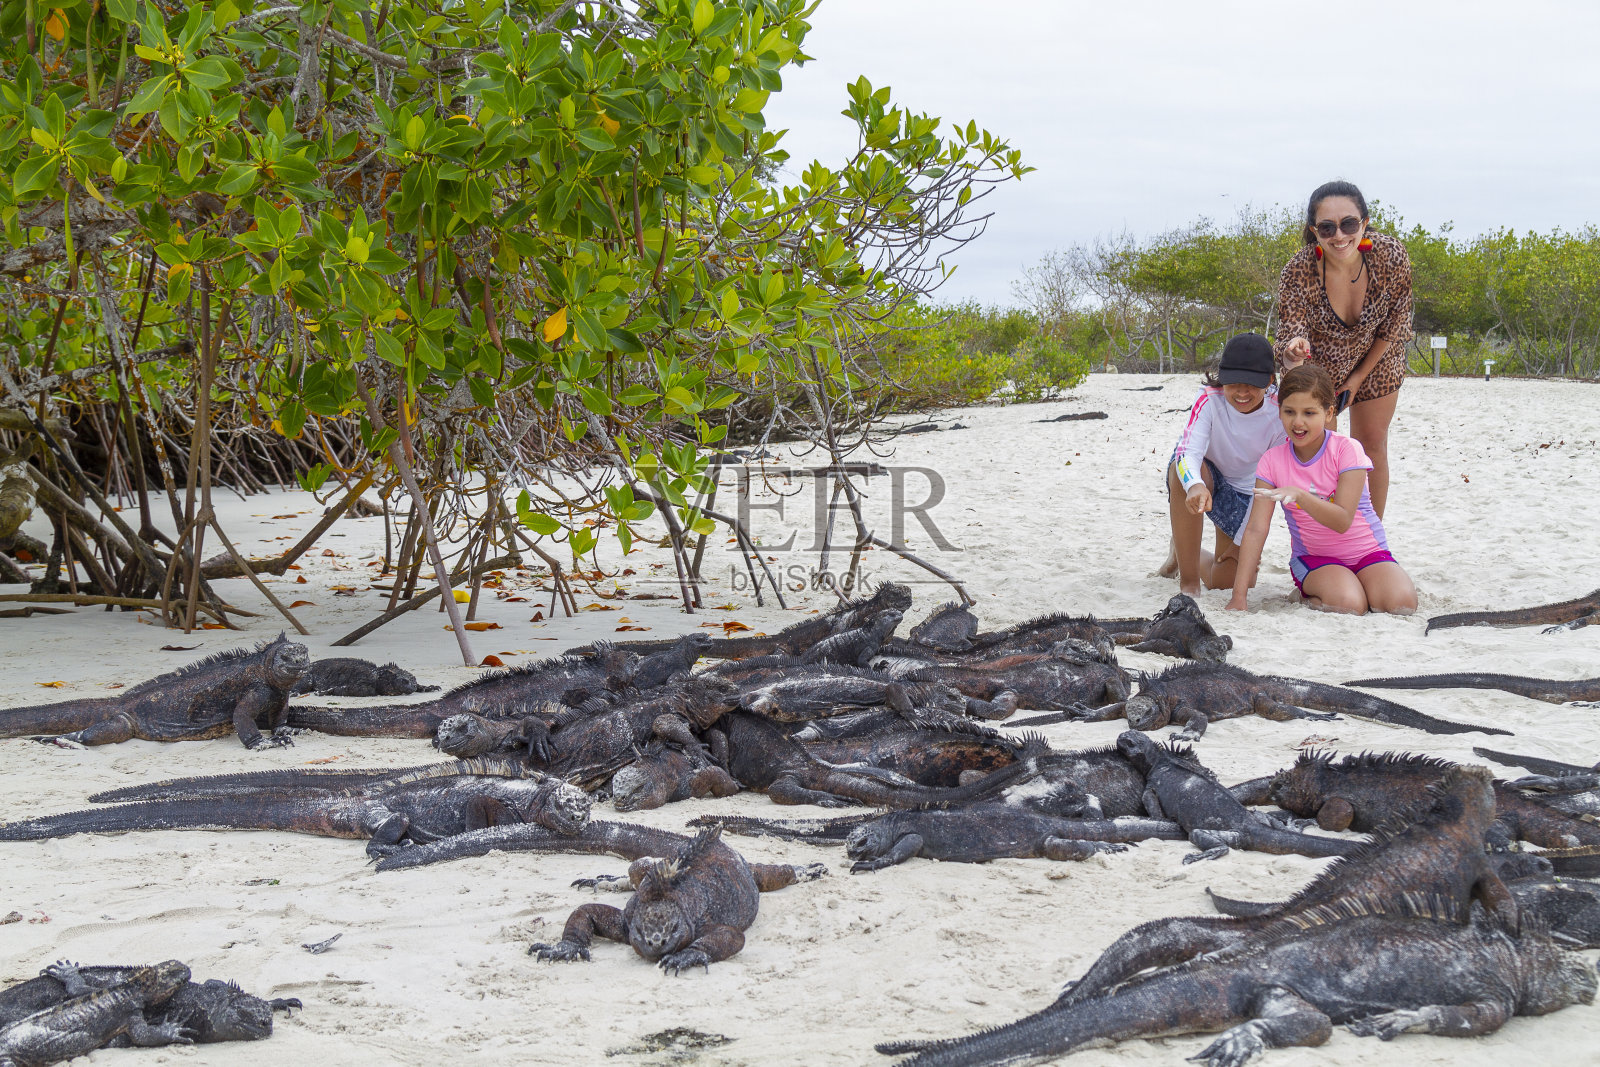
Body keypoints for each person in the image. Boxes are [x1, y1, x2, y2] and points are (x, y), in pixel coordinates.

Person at [1227, 363, 1416, 616]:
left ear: (1328, 413)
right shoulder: (1271, 461)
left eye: (1309, 413)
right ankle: (1309, 594)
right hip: (1316, 559)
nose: (1298, 422)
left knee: (1402, 605)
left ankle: (1361, 583)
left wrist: (1301, 496)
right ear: (1279, 412)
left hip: (1368, 553)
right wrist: (1239, 597)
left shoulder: (1347, 449)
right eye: (1289, 412)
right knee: (1350, 605)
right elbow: (1256, 529)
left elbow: (1342, 520)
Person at [1274, 179, 1412, 519]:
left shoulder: (1391, 255)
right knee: (1321, 452)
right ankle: (1326, 537)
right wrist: (1294, 349)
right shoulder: (1297, 270)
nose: (1339, 236)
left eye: (1349, 224)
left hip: (1378, 356)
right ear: (1314, 231)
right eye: (1327, 227)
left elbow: (1397, 324)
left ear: (1363, 222)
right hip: (1319, 362)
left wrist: (1359, 377)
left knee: (1371, 446)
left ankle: (1371, 538)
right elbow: (1291, 331)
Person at [1164, 333, 1286, 596]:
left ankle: (1183, 549)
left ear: (1270, 380)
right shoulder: (1210, 398)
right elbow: (1187, 451)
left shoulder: (1280, 411)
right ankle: (1189, 583)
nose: (1242, 392)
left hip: (1246, 492)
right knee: (1181, 472)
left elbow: (1270, 479)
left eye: (1252, 384)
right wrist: (1195, 485)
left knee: (1229, 580)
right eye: (1233, 383)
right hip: (1207, 474)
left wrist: (1243, 537)